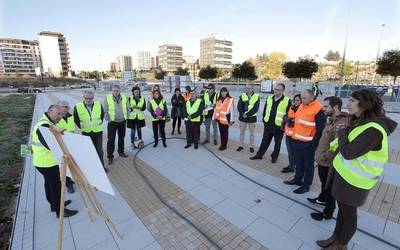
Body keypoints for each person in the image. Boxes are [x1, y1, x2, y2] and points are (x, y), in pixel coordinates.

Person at [316, 89, 397, 249]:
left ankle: (341, 245)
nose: (348, 103)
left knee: (349, 215)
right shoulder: (359, 121)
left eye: (352, 100)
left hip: (355, 182)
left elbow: (348, 152)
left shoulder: (373, 129)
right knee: (342, 211)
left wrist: (343, 132)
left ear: (365, 104)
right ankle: (334, 238)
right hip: (344, 176)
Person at [32, 105, 78, 218]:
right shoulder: (43, 125)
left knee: (49, 184)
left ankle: (54, 205)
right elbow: (50, 145)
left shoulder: (46, 122)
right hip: (47, 163)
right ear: (50, 111)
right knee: (56, 186)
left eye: (62, 114)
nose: (60, 117)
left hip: (42, 162)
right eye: (58, 114)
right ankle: (60, 211)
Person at [307, 96, 348, 221]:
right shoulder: (332, 120)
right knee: (324, 184)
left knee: (329, 188)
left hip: (328, 163)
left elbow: (337, 145)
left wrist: (325, 155)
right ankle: (322, 199)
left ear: (335, 107)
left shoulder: (340, 124)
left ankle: (327, 213)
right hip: (322, 161)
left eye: (326, 106)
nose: (323, 108)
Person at [283, 89, 326, 194]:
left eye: (304, 98)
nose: (302, 100)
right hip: (297, 140)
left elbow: (320, 129)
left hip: (308, 144)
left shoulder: (318, 109)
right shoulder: (303, 105)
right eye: (301, 97)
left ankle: (306, 185)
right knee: (298, 162)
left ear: (312, 97)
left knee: (308, 165)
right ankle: (297, 179)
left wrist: (313, 144)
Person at [250, 83, 291, 163]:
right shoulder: (269, 98)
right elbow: (265, 110)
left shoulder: (287, 100)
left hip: (279, 127)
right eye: (275, 89)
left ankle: (274, 157)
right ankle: (259, 155)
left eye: (278, 90)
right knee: (264, 141)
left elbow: (288, 114)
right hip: (268, 125)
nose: (276, 91)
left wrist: (284, 126)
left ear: (283, 91)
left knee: (277, 144)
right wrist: (264, 121)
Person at [74, 91, 107, 171]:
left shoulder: (98, 104)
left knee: (99, 151)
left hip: (98, 132)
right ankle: (92, 168)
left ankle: (101, 167)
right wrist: (83, 128)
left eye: (90, 98)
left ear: (93, 98)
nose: (88, 100)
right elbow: (76, 119)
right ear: (83, 97)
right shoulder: (78, 106)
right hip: (86, 132)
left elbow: (101, 116)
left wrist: (96, 124)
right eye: (86, 98)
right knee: (89, 151)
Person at [104, 85, 130, 165]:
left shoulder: (124, 97)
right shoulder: (107, 97)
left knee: (121, 137)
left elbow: (128, 107)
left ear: (120, 91)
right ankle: (110, 156)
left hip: (122, 121)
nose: (116, 92)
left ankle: (121, 152)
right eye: (114, 91)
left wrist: (127, 116)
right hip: (112, 122)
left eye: (117, 91)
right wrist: (108, 119)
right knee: (111, 140)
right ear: (112, 91)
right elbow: (105, 109)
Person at [55, 100, 75, 193]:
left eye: (66, 107)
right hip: (60, 145)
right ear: (58, 107)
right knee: (64, 165)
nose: (65, 108)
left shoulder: (71, 117)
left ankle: (72, 179)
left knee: (72, 163)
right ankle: (68, 184)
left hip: (71, 144)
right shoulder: (55, 119)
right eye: (63, 106)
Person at [281, 94, 302, 173]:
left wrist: (289, 119)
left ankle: (295, 166)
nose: (296, 102)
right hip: (288, 133)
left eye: (298, 100)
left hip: (296, 135)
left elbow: (296, 119)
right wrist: (286, 118)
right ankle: (291, 166)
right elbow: (288, 116)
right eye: (295, 100)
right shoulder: (291, 107)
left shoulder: (302, 109)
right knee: (290, 151)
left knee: (295, 152)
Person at [237, 85, 260, 153]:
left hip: (251, 118)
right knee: (241, 133)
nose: (247, 89)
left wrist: (247, 114)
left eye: (249, 88)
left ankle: (251, 146)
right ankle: (241, 145)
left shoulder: (256, 96)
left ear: (252, 88)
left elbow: (256, 108)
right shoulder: (242, 96)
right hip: (242, 118)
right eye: (246, 88)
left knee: (252, 133)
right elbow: (239, 106)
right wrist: (242, 113)